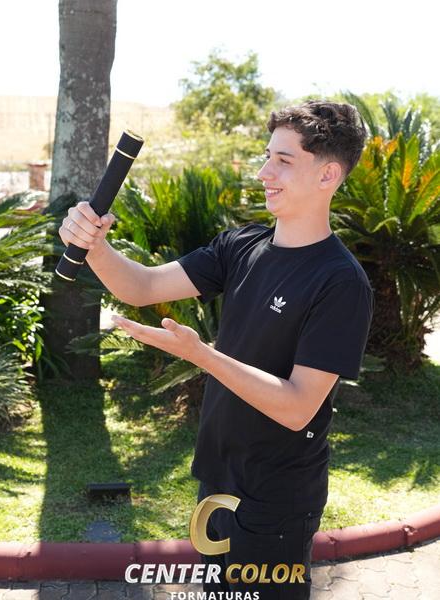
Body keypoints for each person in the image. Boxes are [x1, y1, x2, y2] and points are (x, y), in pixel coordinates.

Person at [59, 100, 374, 599]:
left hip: (275, 503)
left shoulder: (340, 282)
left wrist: (202, 355)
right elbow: (141, 286)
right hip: (216, 480)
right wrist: (94, 245)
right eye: (267, 156)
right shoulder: (241, 245)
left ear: (328, 175)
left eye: (283, 161)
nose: (264, 172)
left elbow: (297, 407)